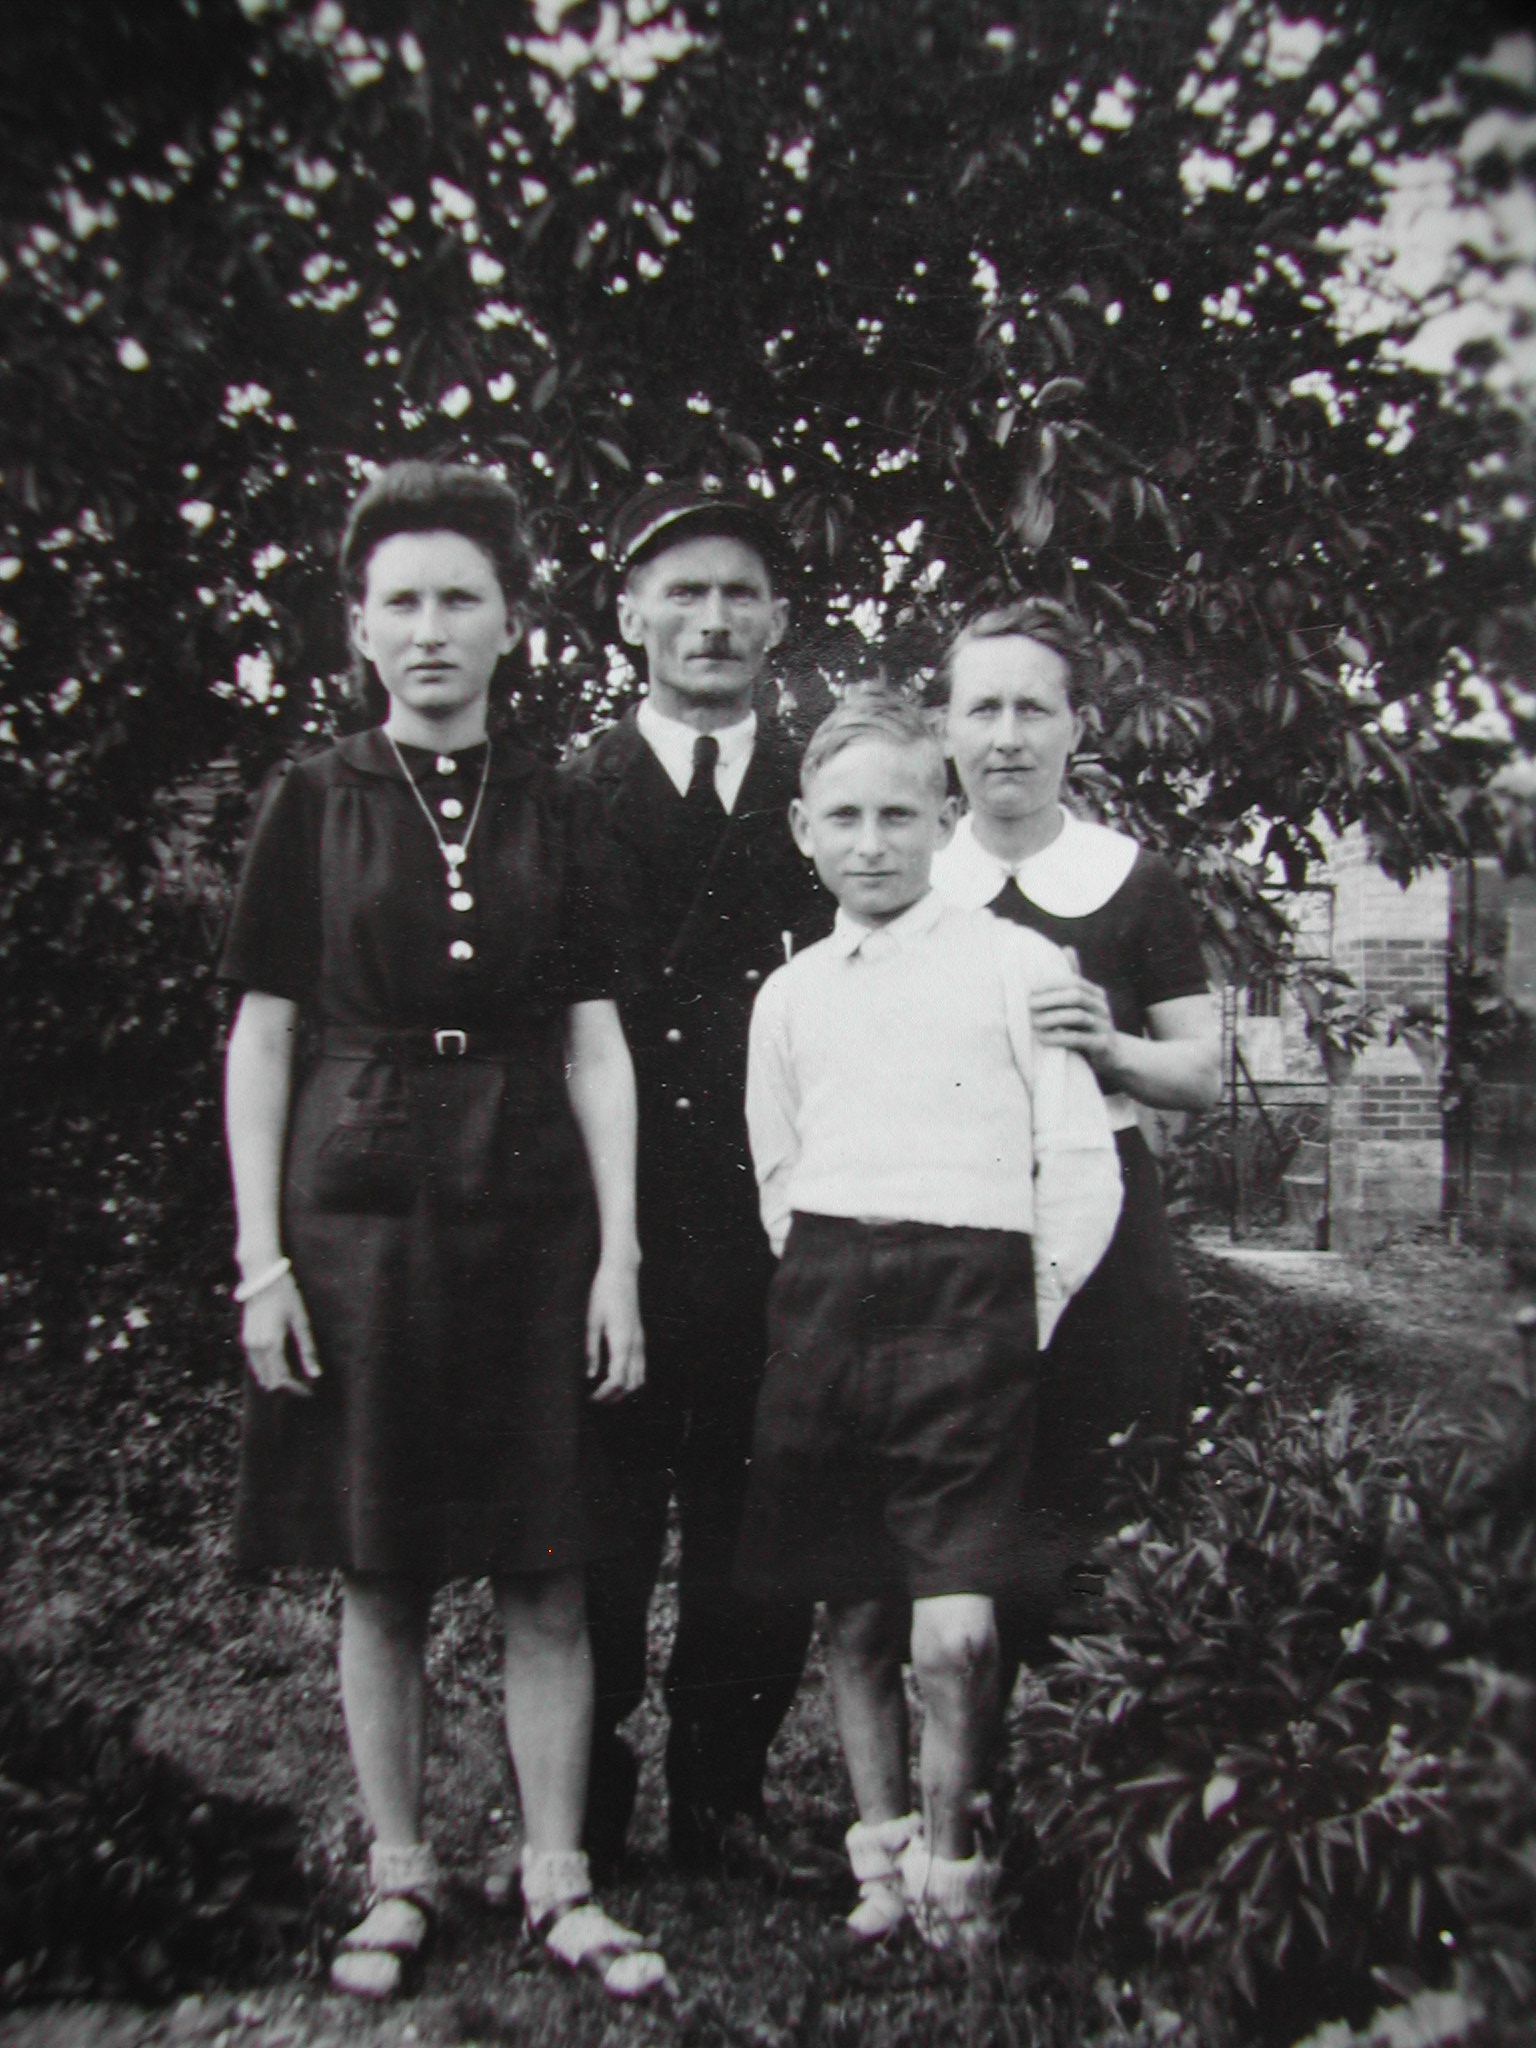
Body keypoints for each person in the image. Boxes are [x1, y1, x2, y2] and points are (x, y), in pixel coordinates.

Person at [220, 461, 663, 2001]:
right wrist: (260, 1262)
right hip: (358, 1210)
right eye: (400, 601)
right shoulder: (312, 799)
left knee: (547, 1565)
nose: (429, 629)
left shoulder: (564, 804)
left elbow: (598, 1040)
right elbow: (261, 1039)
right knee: (381, 1566)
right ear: (358, 627)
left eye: (459, 598)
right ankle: (397, 1879)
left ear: (511, 624)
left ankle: (558, 1882)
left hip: (532, 1207)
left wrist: (620, 1256)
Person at [740, 694, 1122, 1947]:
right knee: (853, 1607)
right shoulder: (789, 993)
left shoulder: (1018, 964)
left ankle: (956, 1866)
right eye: (844, 817)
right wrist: (827, 1287)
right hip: (827, 1304)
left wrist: (1022, 1313)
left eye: (900, 815)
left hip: (974, 1312)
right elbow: (779, 1171)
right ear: (802, 828)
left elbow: (1081, 1164)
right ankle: (883, 1853)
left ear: (945, 817)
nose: (872, 843)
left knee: (955, 1630)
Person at [566, 480, 830, 1873]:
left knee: (757, 1514)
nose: (713, 618)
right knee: (597, 1521)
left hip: (772, 1210)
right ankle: (585, 1803)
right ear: (631, 618)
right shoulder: (564, 793)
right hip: (606, 1219)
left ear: (778, 619)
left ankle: (723, 1793)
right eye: (683, 592)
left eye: (740, 593)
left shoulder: (823, 792)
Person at [932, 599, 1221, 1652]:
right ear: (945, 728)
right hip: (954, 1212)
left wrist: (1111, 1045)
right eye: (982, 709)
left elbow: (1200, 1071)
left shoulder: (1131, 878)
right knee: (972, 1510)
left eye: (1033, 709)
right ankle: (974, 1745)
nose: (1006, 736)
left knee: (1103, 1512)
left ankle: (1088, 1728)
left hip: (1107, 1223)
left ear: (1078, 727)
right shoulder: (912, 878)